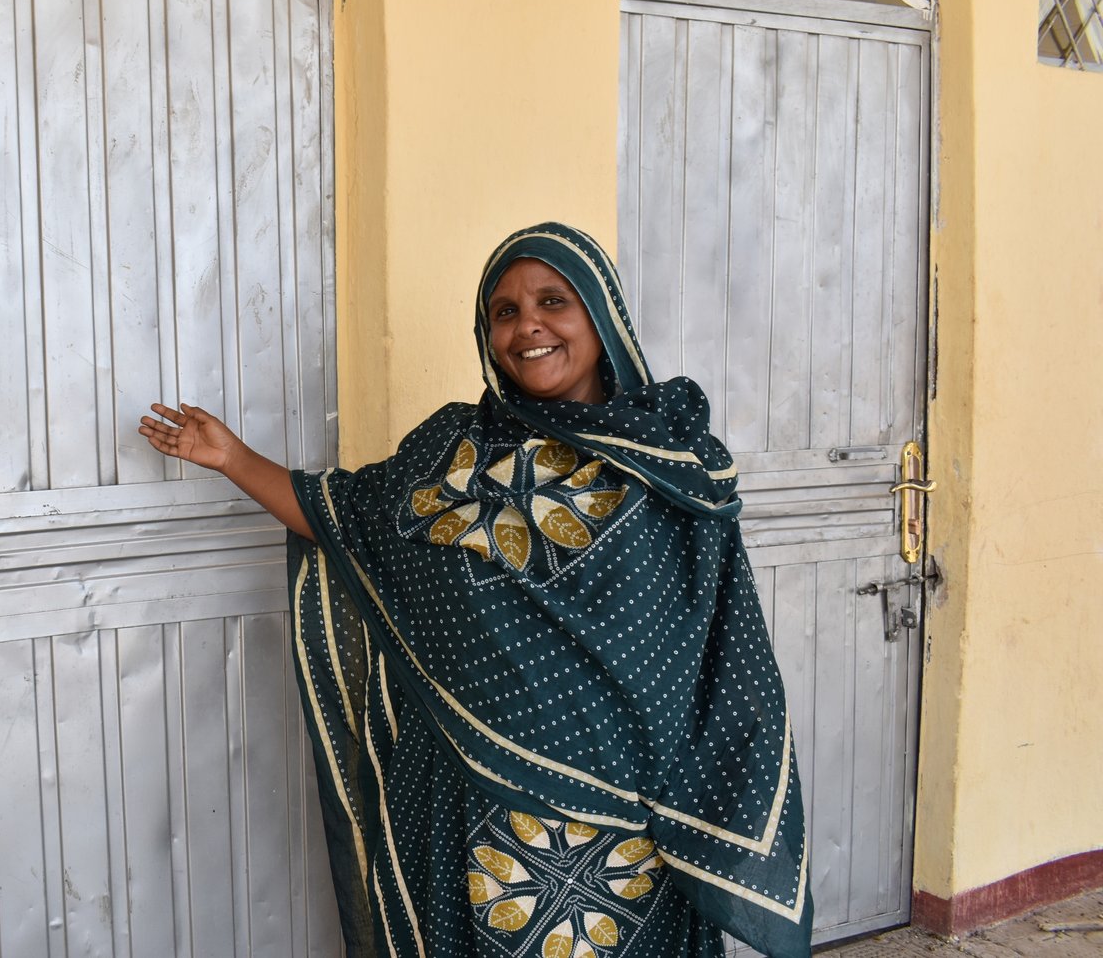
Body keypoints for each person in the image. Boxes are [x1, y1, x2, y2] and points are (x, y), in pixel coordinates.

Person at [141, 221, 812, 958]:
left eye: (553, 301)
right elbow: (346, 520)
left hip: (619, 820)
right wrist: (233, 458)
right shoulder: (454, 451)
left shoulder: (669, 467)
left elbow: (719, 652)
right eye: (504, 311)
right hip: (465, 797)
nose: (528, 326)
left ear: (601, 311)